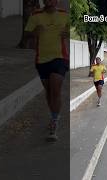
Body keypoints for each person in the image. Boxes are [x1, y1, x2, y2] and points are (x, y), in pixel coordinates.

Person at [24, 0, 69, 141]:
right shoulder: (36, 15)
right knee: (49, 93)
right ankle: (54, 115)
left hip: (60, 58)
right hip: (41, 59)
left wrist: (67, 33)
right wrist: (34, 33)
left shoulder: (65, 14)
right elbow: (27, 35)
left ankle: (54, 123)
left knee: (55, 90)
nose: (50, 2)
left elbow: (69, 29)